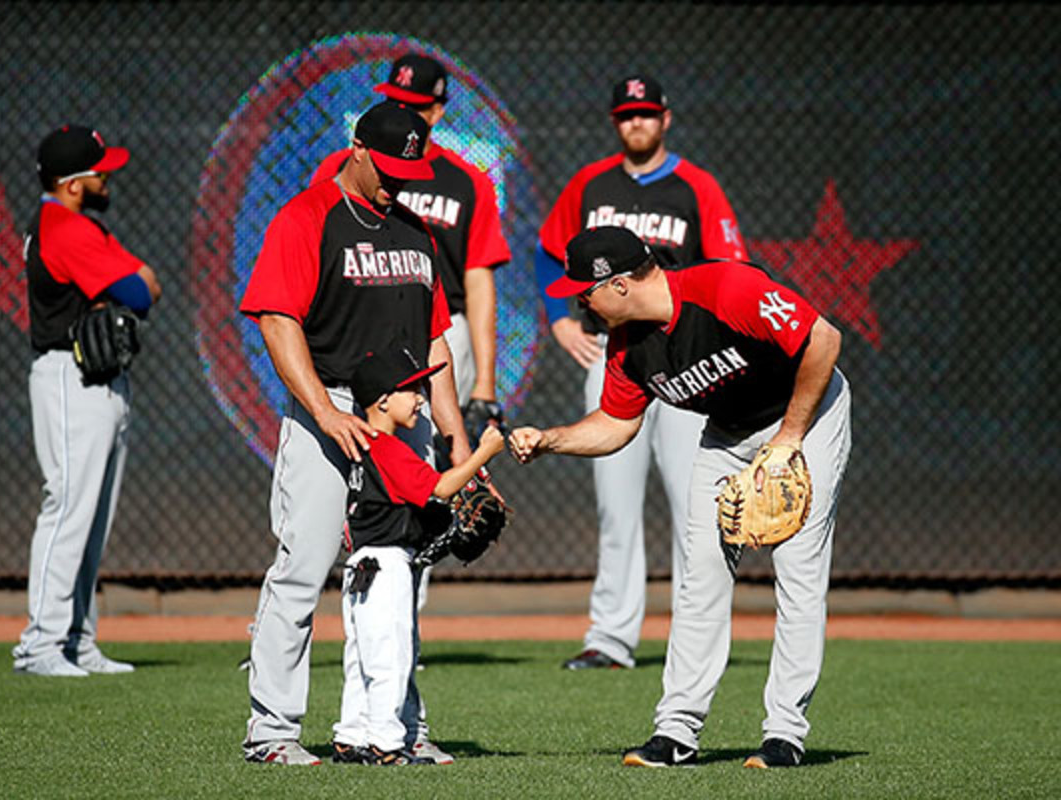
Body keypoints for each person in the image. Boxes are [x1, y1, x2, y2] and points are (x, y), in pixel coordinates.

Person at [510, 227, 851, 768]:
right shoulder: (627, 349)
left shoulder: (722, 289)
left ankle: (785, 734)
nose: (579, 301)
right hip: (728, 433)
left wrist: (789, 439)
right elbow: (615, 425)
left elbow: (824, 340)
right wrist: (551, 440)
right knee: (701, 579)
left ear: (619, 285)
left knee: (799, 573)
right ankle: (676, 733)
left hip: (806, 417)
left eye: (585, 290)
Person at [238, 102, 471, 766]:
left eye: (412, 168)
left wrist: (452, 431)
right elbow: (278, 321)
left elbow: (434, 341)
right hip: (329, 408)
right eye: (391, 166)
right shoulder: (307, 218)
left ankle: (392, 726)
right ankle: (273, 731)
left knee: (397, 575)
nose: (401, 179)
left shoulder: (417, 233)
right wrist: (325, 411)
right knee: (303, 568)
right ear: (359, 150)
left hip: (402, 418)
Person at [534, 74, 748, 670]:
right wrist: (559, 319)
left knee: (693, 501)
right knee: (616, 506)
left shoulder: (695, 186)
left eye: (647, 114)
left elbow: (731, 268)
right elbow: (549, 250)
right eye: (627, 114)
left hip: (686, 358)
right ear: (614, 121)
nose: (638, 123)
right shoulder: (589, 184)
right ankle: (610, 636)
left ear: (666, 119)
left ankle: (698, 634)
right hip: (615, 355)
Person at [311, 53, 512, 612]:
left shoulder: (466, 180)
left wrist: (485, 387)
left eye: (414, 103)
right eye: (393, 98)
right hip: (355, 328)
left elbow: (479, 282)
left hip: (435, 332)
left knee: (425, 476)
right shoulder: (344, 167)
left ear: (439, 109)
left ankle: (400, 613)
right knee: (327, 488)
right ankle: (298, 612)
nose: (401, 108)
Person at [13, 124, 162, 677]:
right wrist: (134, 281)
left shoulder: (79, 224)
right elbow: (140, 290)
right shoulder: (64, 227)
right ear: (73, 183)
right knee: (68, 508)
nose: (108, 177)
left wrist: (135, 280)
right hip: (70, 378)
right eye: (100, 171)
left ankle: (76, 639)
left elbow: (142, 283)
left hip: (97, 380)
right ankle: (40, 645)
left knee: (92, 517)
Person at [330, 346, 505, 766]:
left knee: (361, 658)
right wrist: (484, 453)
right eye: (412, 389)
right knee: (390, 656)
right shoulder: (387, 447)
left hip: (358, 568)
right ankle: (387, 745)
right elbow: (440, 489)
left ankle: (351, 735)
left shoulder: (357, 444)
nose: (422, 398)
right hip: (386, 566)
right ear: (384, 400)